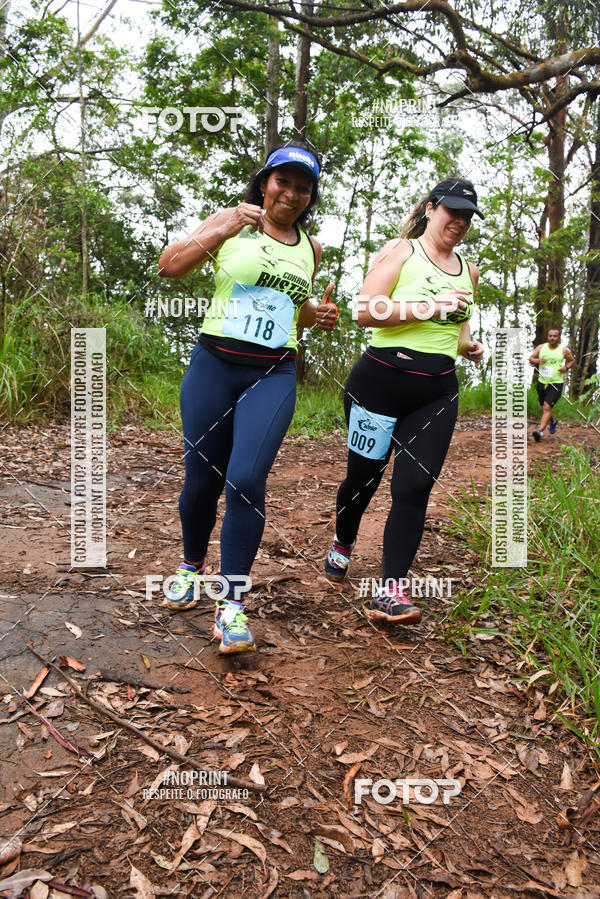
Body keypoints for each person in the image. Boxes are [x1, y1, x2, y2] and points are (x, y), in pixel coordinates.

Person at [158, 142, 337, 653]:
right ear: (265, 183)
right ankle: (191, 565)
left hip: (274, 371)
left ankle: (230, 605)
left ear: (310, 196)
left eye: (304, 187)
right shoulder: (231, 220)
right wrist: (227, 224)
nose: (293, 193)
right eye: (284, 181)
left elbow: (292, 310)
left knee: (246, 479)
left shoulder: (312, 248)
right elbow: (168, 267)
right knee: (201, 482)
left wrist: (314, 316)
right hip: (213, 364)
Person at [324, 177, 484, 624]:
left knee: (414, 488)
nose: (460, 221)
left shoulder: (469, 271)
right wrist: (429, 307)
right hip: (380, 383)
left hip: (435, 391)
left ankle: (390, 589)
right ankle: (343, 540)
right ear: (431, 209)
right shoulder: (400, 251)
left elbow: (460, 326)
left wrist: (468, 345)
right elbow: (364, 310)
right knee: (363, 480)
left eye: (468, 215)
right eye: (453, 210)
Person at [529, 328, 574, 441]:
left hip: (556, 383)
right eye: (550, 336)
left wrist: (566, 367)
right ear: (547, 337)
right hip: (542, 382)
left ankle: (539, 431)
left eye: (555, 336)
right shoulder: (541, 348)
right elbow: (530, 358)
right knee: (545, 408)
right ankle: (553, 421)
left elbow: (571, 360)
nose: (552, 338)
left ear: (558, 338)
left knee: (547, 406)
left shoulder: (564, 350)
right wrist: (538, 361)